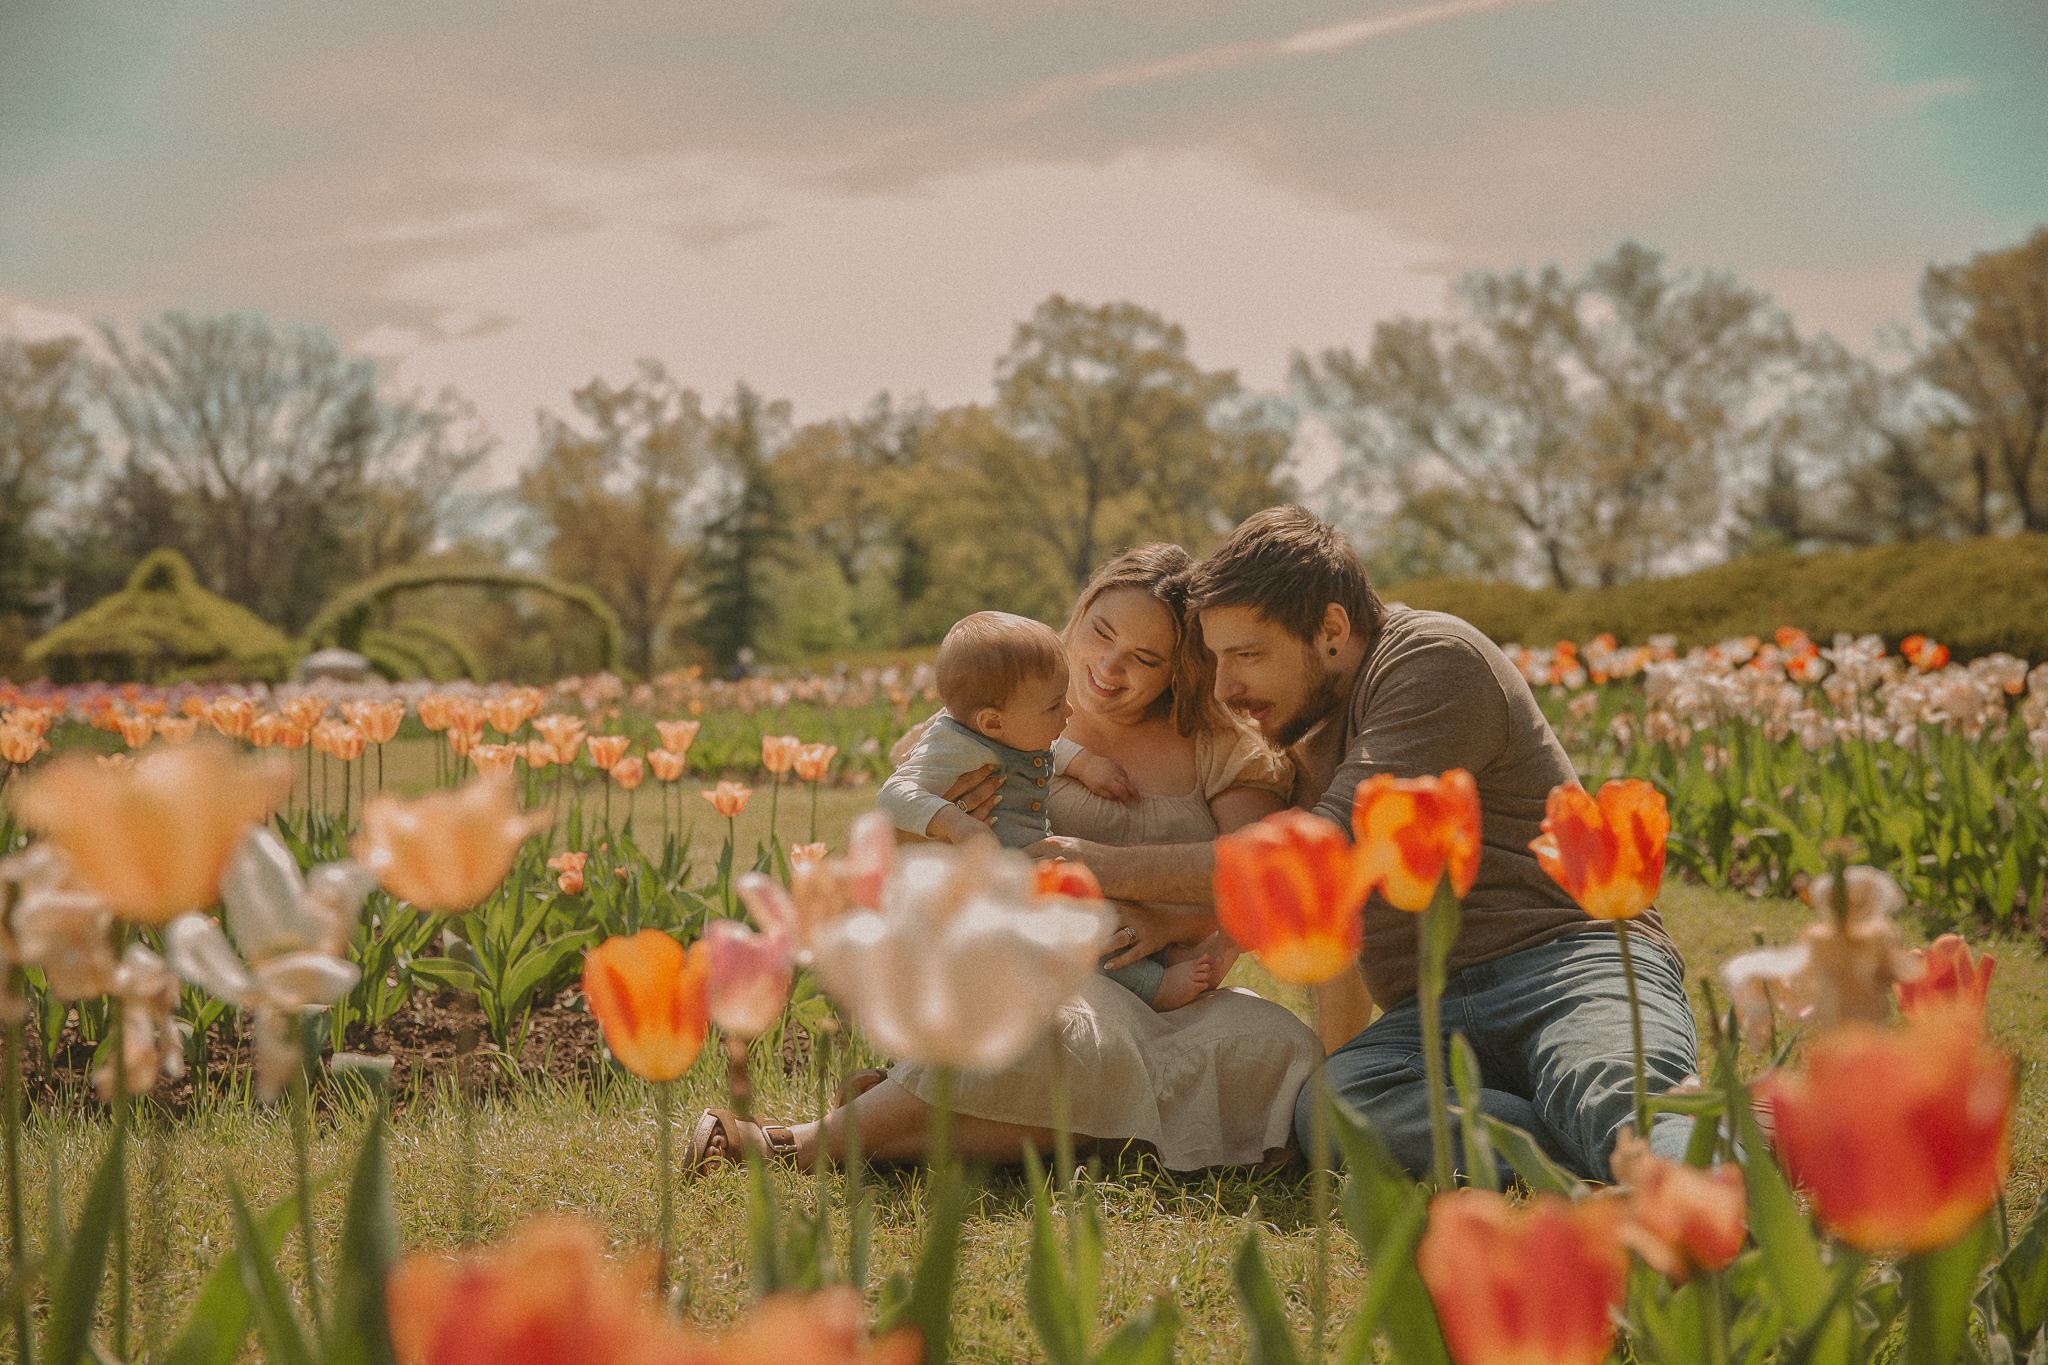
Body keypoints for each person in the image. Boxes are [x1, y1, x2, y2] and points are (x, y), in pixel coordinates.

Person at [687, 544, 1322, 1174]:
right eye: (1100, 633)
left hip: (1167, 999)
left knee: (1280, 1047)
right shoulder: (999, 717)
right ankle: (801, 1144)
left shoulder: (1221, 747)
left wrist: (1165, 919)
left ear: (1181, 668)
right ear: (1078, 618)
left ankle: (921, 1113)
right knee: (1047, 1027)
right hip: (1035, 971)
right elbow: (905, 855)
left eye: (1145, 658)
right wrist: (940, 838)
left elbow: (1257, 872)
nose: (1109, 666)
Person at [1185, 506, 1698, 1182]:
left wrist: (1099, 866)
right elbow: (1337, 922)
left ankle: (1699, 1203)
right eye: (1216, 659)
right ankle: (1603, 1151)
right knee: (1338, 1108)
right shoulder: (1302, 729)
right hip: (1431, 1013)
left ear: (1331, 629)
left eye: (1247, 655)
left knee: (1612, 1092)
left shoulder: (1433, 658)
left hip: (1570, 964)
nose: (1225, 687)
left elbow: (1327, 851)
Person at [877, 609, 1218, 1009]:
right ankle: (1151, 986)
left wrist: (1085, 765)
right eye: (1054, 706)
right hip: (999, 882)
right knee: (1071, 928)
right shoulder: (952, 746)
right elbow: (893, 794)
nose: (1068, 712)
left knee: (1094, 910)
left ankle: (1157, 958)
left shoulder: (1006, 726)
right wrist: (955, 824)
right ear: (992, 723)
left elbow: (1048, 746)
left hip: (1028, 864)